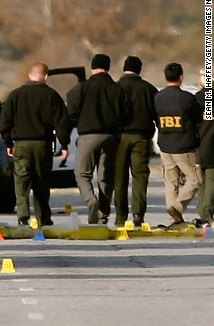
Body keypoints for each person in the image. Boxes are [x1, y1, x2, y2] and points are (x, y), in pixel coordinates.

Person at [0, 62, 70, 227]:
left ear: (30, 75)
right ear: (45, 76)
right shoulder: (51, 95)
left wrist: (8, 142)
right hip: (42, 145)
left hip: (21, 145)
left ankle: (23, 217)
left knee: (22, 181)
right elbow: (62, 122)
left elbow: (5, 121)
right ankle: (43, 218)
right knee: (42, 182)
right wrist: (64, 144)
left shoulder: (15, 95)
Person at [66, 53, 130, 224]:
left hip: (88, 137)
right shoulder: (118, 89)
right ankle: (103, 213)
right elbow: (126, 115)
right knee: (105, 177)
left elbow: (71, 111)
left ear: (92, 67)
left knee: (82, 174)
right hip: (111, 137)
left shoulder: (82, 88)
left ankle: (91, 201)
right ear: (108, 67)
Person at [154, 63, 203, 227]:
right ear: (181, 77)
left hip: (165, 145)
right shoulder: (187, 98)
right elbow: (198, 117)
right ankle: (176, 207)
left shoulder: (158, 97)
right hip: (184, 146)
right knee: (196, 178)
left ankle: (174, 214)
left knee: (171, 181)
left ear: (166, 77)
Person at [113, 56, 158, 227]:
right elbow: (157, 114)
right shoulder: (148, 89)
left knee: (119, 177)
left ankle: (120, 217)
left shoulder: (115, 88)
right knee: (140, 176)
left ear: (124, 68)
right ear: (140, 69)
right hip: (141, 137)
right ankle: (138, 215)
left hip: (119, 138)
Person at [194, 70, 214, 227]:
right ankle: (207, 213)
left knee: (202, 182)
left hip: (198, 146)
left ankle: (202, 211)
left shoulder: (195, 100)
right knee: (211, 181)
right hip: (212, 146)